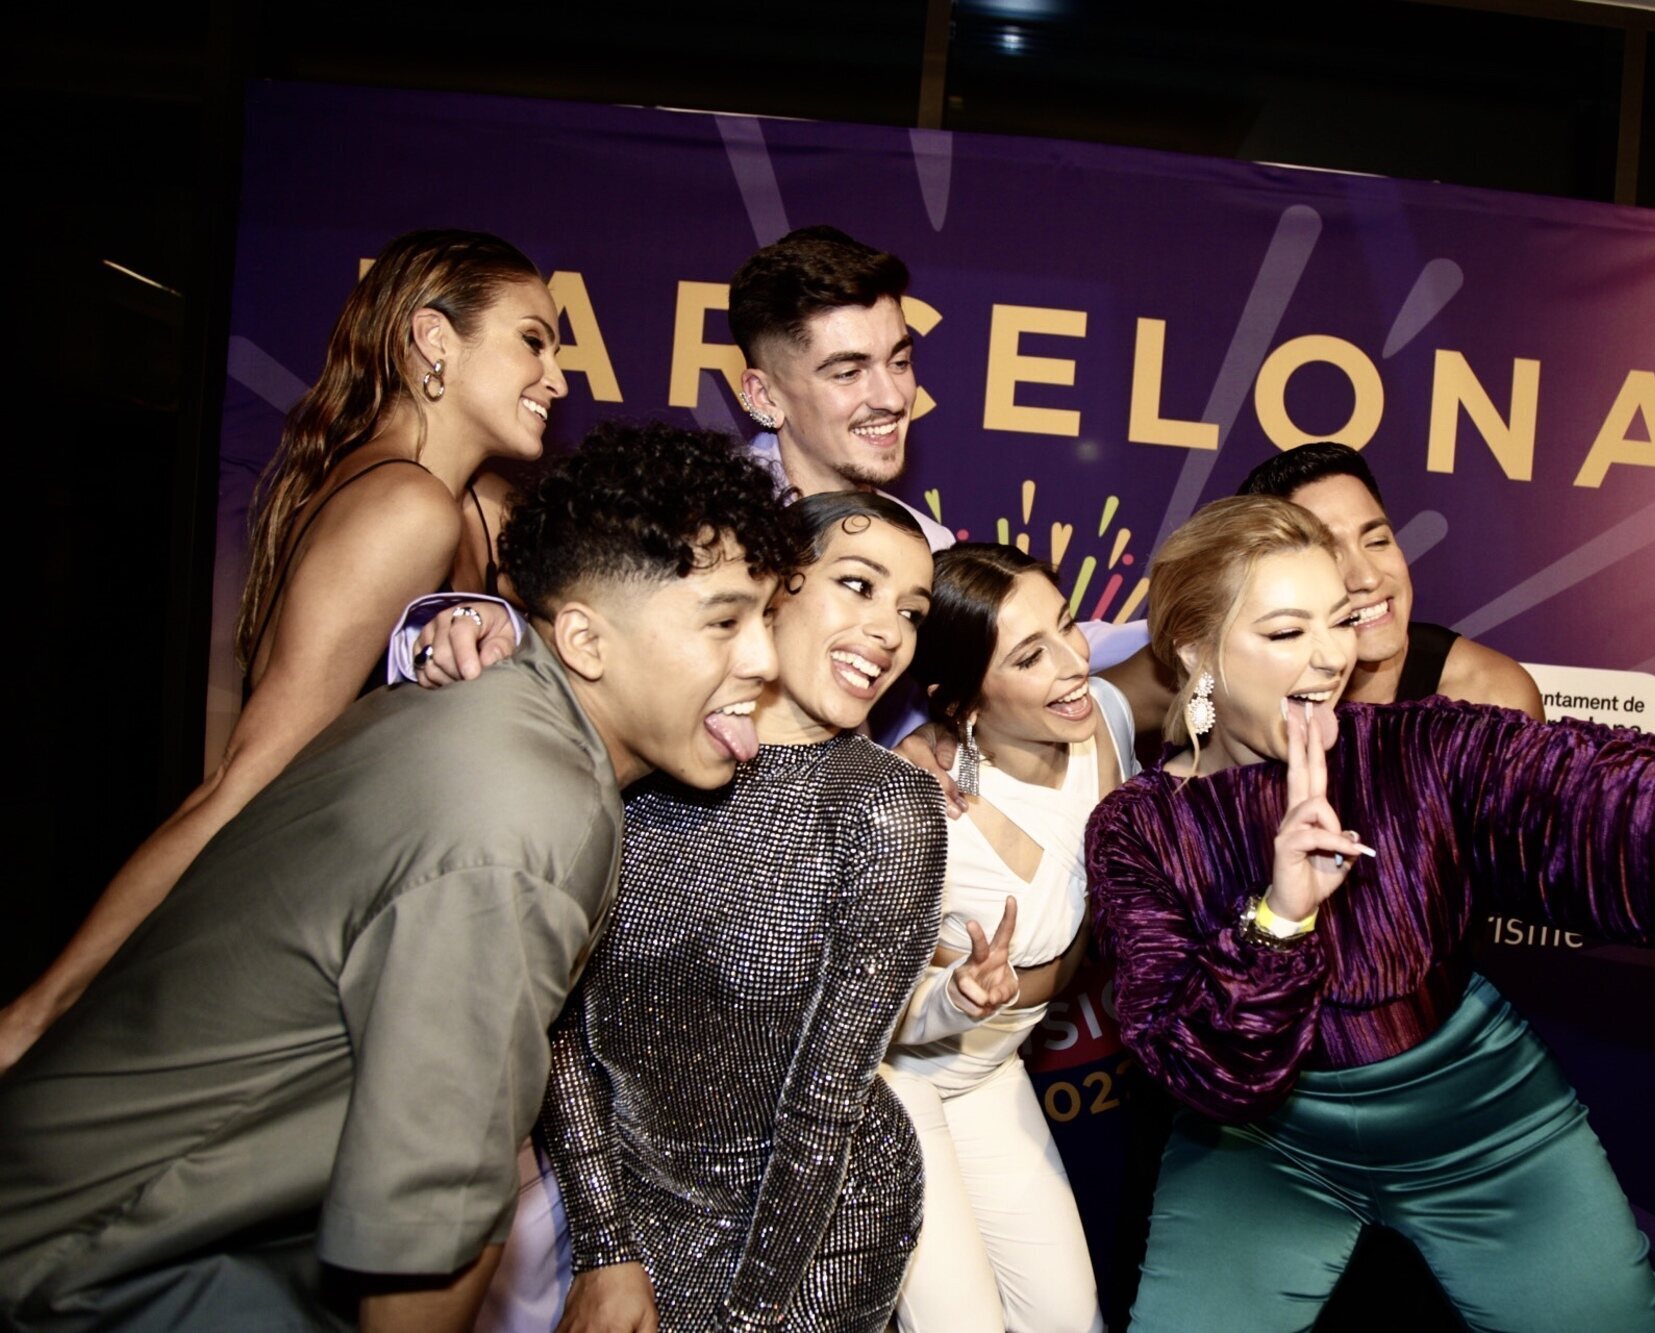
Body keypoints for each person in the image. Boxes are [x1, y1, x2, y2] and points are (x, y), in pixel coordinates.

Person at [1087, 494, 1655, 1333]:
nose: (1329, 656)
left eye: (1339, 621)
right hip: (1265, 1147)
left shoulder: (1422, 750)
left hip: (1480, 1119)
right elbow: (1198, 1063)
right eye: (1286, 630)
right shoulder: (1138, 829)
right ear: (1197, 653)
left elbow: (1652, 812)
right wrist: (1283, 911)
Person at [0, 423, 801, 1332]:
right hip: (85, 1274)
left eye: (769, 619)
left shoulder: (484, 709)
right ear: (584, 638)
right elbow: (426, 1235)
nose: (763, 661)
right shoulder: (525, 812)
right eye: (726, 620)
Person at [0, 228, 565, 1072]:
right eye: (533, 342)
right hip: (303, 944)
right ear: (433, 338)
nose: (556, 378)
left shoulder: (480, 508)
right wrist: (43, 1009)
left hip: (395, 938)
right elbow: (245, 783)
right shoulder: (404, 508)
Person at [531, 491, 947, 1332]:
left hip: (822, 1224)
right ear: (773, 588)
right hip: (637, 1202)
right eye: (860, 585)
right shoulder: (643, 757)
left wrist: (752, 1317)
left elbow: (827, 1097)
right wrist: (605, 1245)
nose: (891, 631)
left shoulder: (889, 806)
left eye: (911, 611)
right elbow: (555, 1019)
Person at [885, 544, 1138, 1333]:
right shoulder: (924, 812)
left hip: (994, 1074)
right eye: (1031, 655)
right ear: (961, 698)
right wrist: (962, 993)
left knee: (1069, 1319)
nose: (1073, 666)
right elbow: (874, 1011)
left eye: (1067, 625)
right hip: (898, 1086)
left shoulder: (1106, 722)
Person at [1101, 441, 1544, 736]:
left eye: (1377, 540)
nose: (1368, 577)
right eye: (1329, 553)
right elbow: (1077, 713)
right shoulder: (1211, 669)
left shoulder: (1487, 698)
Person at [730, 225, 954, 553]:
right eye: (848, 373)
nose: (892, 398)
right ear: (764, 397)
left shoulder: (929, 549)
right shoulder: (700, 532)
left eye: (900, 362)